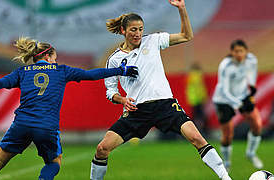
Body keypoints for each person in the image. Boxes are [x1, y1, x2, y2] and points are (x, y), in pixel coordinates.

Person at [0, 37, 138, 180]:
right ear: (49, 56)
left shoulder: (22, 72)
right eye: (55, 58)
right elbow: (91, 74)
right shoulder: (61, 70)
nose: (55, 61)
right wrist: (120, 71)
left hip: (22, 124)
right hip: (46, 126)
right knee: (54, 163)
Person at [90, 0, 231, 180]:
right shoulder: (115, 60)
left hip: (165, 105)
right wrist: (123, 100)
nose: (138, 33)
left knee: (197, 138)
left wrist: (182, 9)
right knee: (102, 149)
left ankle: (226, 178)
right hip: (136, 111)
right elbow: (110, 92)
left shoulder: (153, 40)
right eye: (133, 29)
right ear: (124, 31)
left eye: (141, 29)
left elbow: (186, 36)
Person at [212, 39, 263, 171]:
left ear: (246, 51)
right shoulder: (225, 66)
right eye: (236, 51)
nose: (239, 54)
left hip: (242, 95)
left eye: (241, 51)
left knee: (257, 124)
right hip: (224, 100)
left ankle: (251, 154)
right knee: (228, 134)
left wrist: (252, 86)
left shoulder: (252, 60)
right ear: (232, 52)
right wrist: (238, 104)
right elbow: (224, 90)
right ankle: (227, 163)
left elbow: (252, 73)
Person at [186, 62, 208, 134]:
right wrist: (203, 97)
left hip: (193, 100)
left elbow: (189, 89)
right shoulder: (198, 76)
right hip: (198, 99)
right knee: (201, 116)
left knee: (195, 116)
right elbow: (200, 89)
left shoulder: (190, 76)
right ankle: (204, 131)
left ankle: (192, 131)